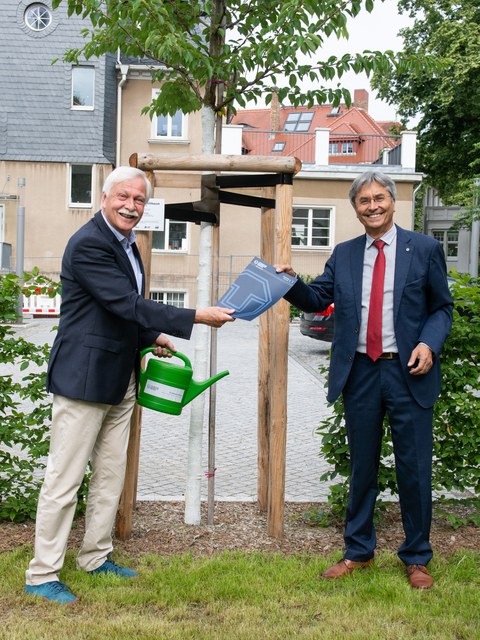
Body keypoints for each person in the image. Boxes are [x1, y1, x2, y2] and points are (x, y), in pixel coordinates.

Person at [25, 166, 235, 604]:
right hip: (83, 380)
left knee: (109, 476)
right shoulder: (89, 244)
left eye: (139, 200)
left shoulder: (127, 245)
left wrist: (151, 336)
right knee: (64, 481)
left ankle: (96, 557)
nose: (131, 206)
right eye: (124, 196)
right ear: (104, 197)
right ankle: (42, 573)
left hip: (121, 378)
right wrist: (195, 315)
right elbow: (124, 301)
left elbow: (120, 313)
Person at [276, 171, 453, 590]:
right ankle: (358, 551)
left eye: (379, 198)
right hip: (360, 373)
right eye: (363, 201)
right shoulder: (345, 253)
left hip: (408, 371)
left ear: (393, 202)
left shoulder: (423, 248)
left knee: (414, 469)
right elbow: (319, 298)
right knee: (362, 468)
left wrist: (428, 345)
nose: (372, 206)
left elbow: (441, 308)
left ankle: (416, 557)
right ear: (355, 208)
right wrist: (289, 283)